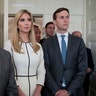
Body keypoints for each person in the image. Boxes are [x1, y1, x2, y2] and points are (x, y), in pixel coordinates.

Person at [41, 7, 88, 96]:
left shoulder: (78, 42)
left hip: (75, 91)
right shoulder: (46, 43)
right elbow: (44, 68)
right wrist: (56, 90)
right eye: (62, 17)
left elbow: (82, 68)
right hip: (52, 91)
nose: (65, 20)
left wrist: (68, 91)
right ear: (55, 22)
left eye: (67, 17)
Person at [4, 9, 45, 96]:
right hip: (16, 90)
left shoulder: (39, 46)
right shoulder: (9, 45)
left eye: (29, 20)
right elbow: (9, 73)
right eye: (22, 20)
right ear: (17, 24)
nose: (26, 23)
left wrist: (37, 93)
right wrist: (20, 93)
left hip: (36, 91)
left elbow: (42, 71)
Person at [72, 31, 94, 96]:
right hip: (70, 83)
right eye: (76, 37)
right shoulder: (66, 50)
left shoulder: (87, 51)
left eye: (80, 36)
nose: (79, 38)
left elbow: (91, 67)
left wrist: (85, 69)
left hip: (84, 82)